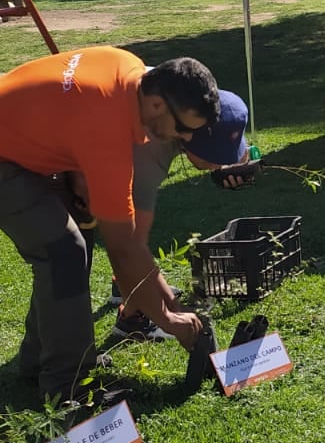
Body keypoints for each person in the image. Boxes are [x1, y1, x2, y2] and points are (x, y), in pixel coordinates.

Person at [0, 49, 219, 404]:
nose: (186, 140)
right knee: (64, 249)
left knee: (73, 238)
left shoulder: (128, 70)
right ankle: (67, 387)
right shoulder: (107, 125)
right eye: (184, 129)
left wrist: (168, 302)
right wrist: (167, 319)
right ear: (158, 105)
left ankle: (40, 361)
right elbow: (124, 248)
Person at [102, 88, 252, 341]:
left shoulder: (200, 101)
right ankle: (132, 317)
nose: (221, 163)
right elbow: (127, 245)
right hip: (53, 161)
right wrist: (171, 314)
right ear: (186, 135)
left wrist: (233, 164)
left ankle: (125, 287)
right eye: (216, 156)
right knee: (85, 251)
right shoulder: (148, 151)